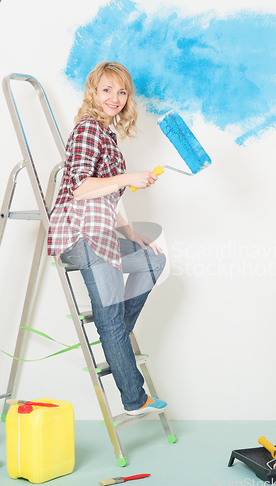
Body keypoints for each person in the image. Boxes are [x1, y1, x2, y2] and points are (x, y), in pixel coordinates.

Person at [47, 61, 167, 416]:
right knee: (110, 319)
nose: (115, 97)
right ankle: (134, 398)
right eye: (106, 90)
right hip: (81, 235)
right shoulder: (86, 130)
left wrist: (129, 232)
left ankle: (114, 333)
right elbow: (81, 188)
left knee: (154, 259)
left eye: (122, 91)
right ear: (93, 93)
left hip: (101, 232)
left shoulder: (107, 135)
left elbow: (109, 195)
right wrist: (128, 176)